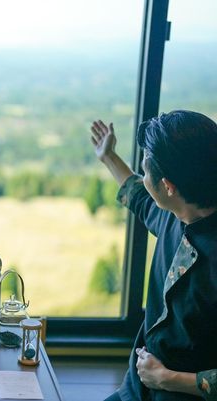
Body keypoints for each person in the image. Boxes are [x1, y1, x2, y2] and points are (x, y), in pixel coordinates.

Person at [90, 110, 217, 401]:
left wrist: (168, 379)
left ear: (169, 187)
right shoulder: (175, 214)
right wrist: (108, 156)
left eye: (147, 171)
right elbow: (137, 194)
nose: (142, 177)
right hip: (137, 390)